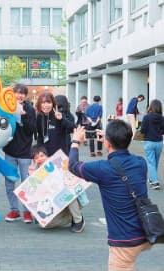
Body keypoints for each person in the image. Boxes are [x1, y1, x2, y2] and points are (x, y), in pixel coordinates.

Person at [69, 120, 151, 271]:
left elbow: (73, 166)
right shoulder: (141, 162)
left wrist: (75, 141)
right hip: (146, 233)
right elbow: (126, 157)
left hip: (124, 241)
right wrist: (112, 142)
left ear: (107, 144)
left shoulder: (102, 169)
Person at [36, 93, 84, 232]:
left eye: (48, 102)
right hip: (47, 160)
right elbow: (40, 137)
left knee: (67, 189)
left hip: (62, 159)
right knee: (51, 189)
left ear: (53, 103)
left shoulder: (60, 115)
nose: (46, 105)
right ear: (39, 104)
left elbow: (73, 128)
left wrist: (61, 119)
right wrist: (38, 158)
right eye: (43, 102)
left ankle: (78, 219)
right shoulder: (40, 117)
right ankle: (60, 215)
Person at [3, 84, 36, 224]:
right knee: (9, 183)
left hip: (25, 153)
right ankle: (14, 210)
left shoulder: (29, 109)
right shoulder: (6, 108)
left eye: (22, 93)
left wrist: (23, 117)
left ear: (25, 95)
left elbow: (31, 130)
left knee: (27, 184)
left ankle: (27, 212)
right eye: (17, 93)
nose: (19, 95)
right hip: (9, 152)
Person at [140, 99, 164, 190]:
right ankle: (152, 178)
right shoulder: (162, 118)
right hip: (159, 142)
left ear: (151, 107)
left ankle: (155, 182)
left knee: (151, 162)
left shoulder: (147, 117)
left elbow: (143, 130)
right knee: (155, 162)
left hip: (149, 142)